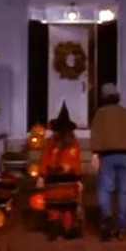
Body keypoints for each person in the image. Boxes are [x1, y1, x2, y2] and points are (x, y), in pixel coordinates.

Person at [90, 83, 126, 241]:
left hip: (108, 156)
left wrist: (95, 153)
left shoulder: (101, 114)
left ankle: (107, 217)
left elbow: (96, 134)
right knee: (124, 192)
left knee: (105, 189)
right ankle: (122, 228)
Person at [36, 102, 83, 240]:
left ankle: (54, 222)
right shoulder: (74, 144)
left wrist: (41, 176)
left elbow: (44, 161)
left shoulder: (51, 144)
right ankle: (67, 227)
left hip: (53, 182)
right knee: (68, 206)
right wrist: (79, 180)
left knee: (53, 203)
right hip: (69, 183)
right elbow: (77, 164)